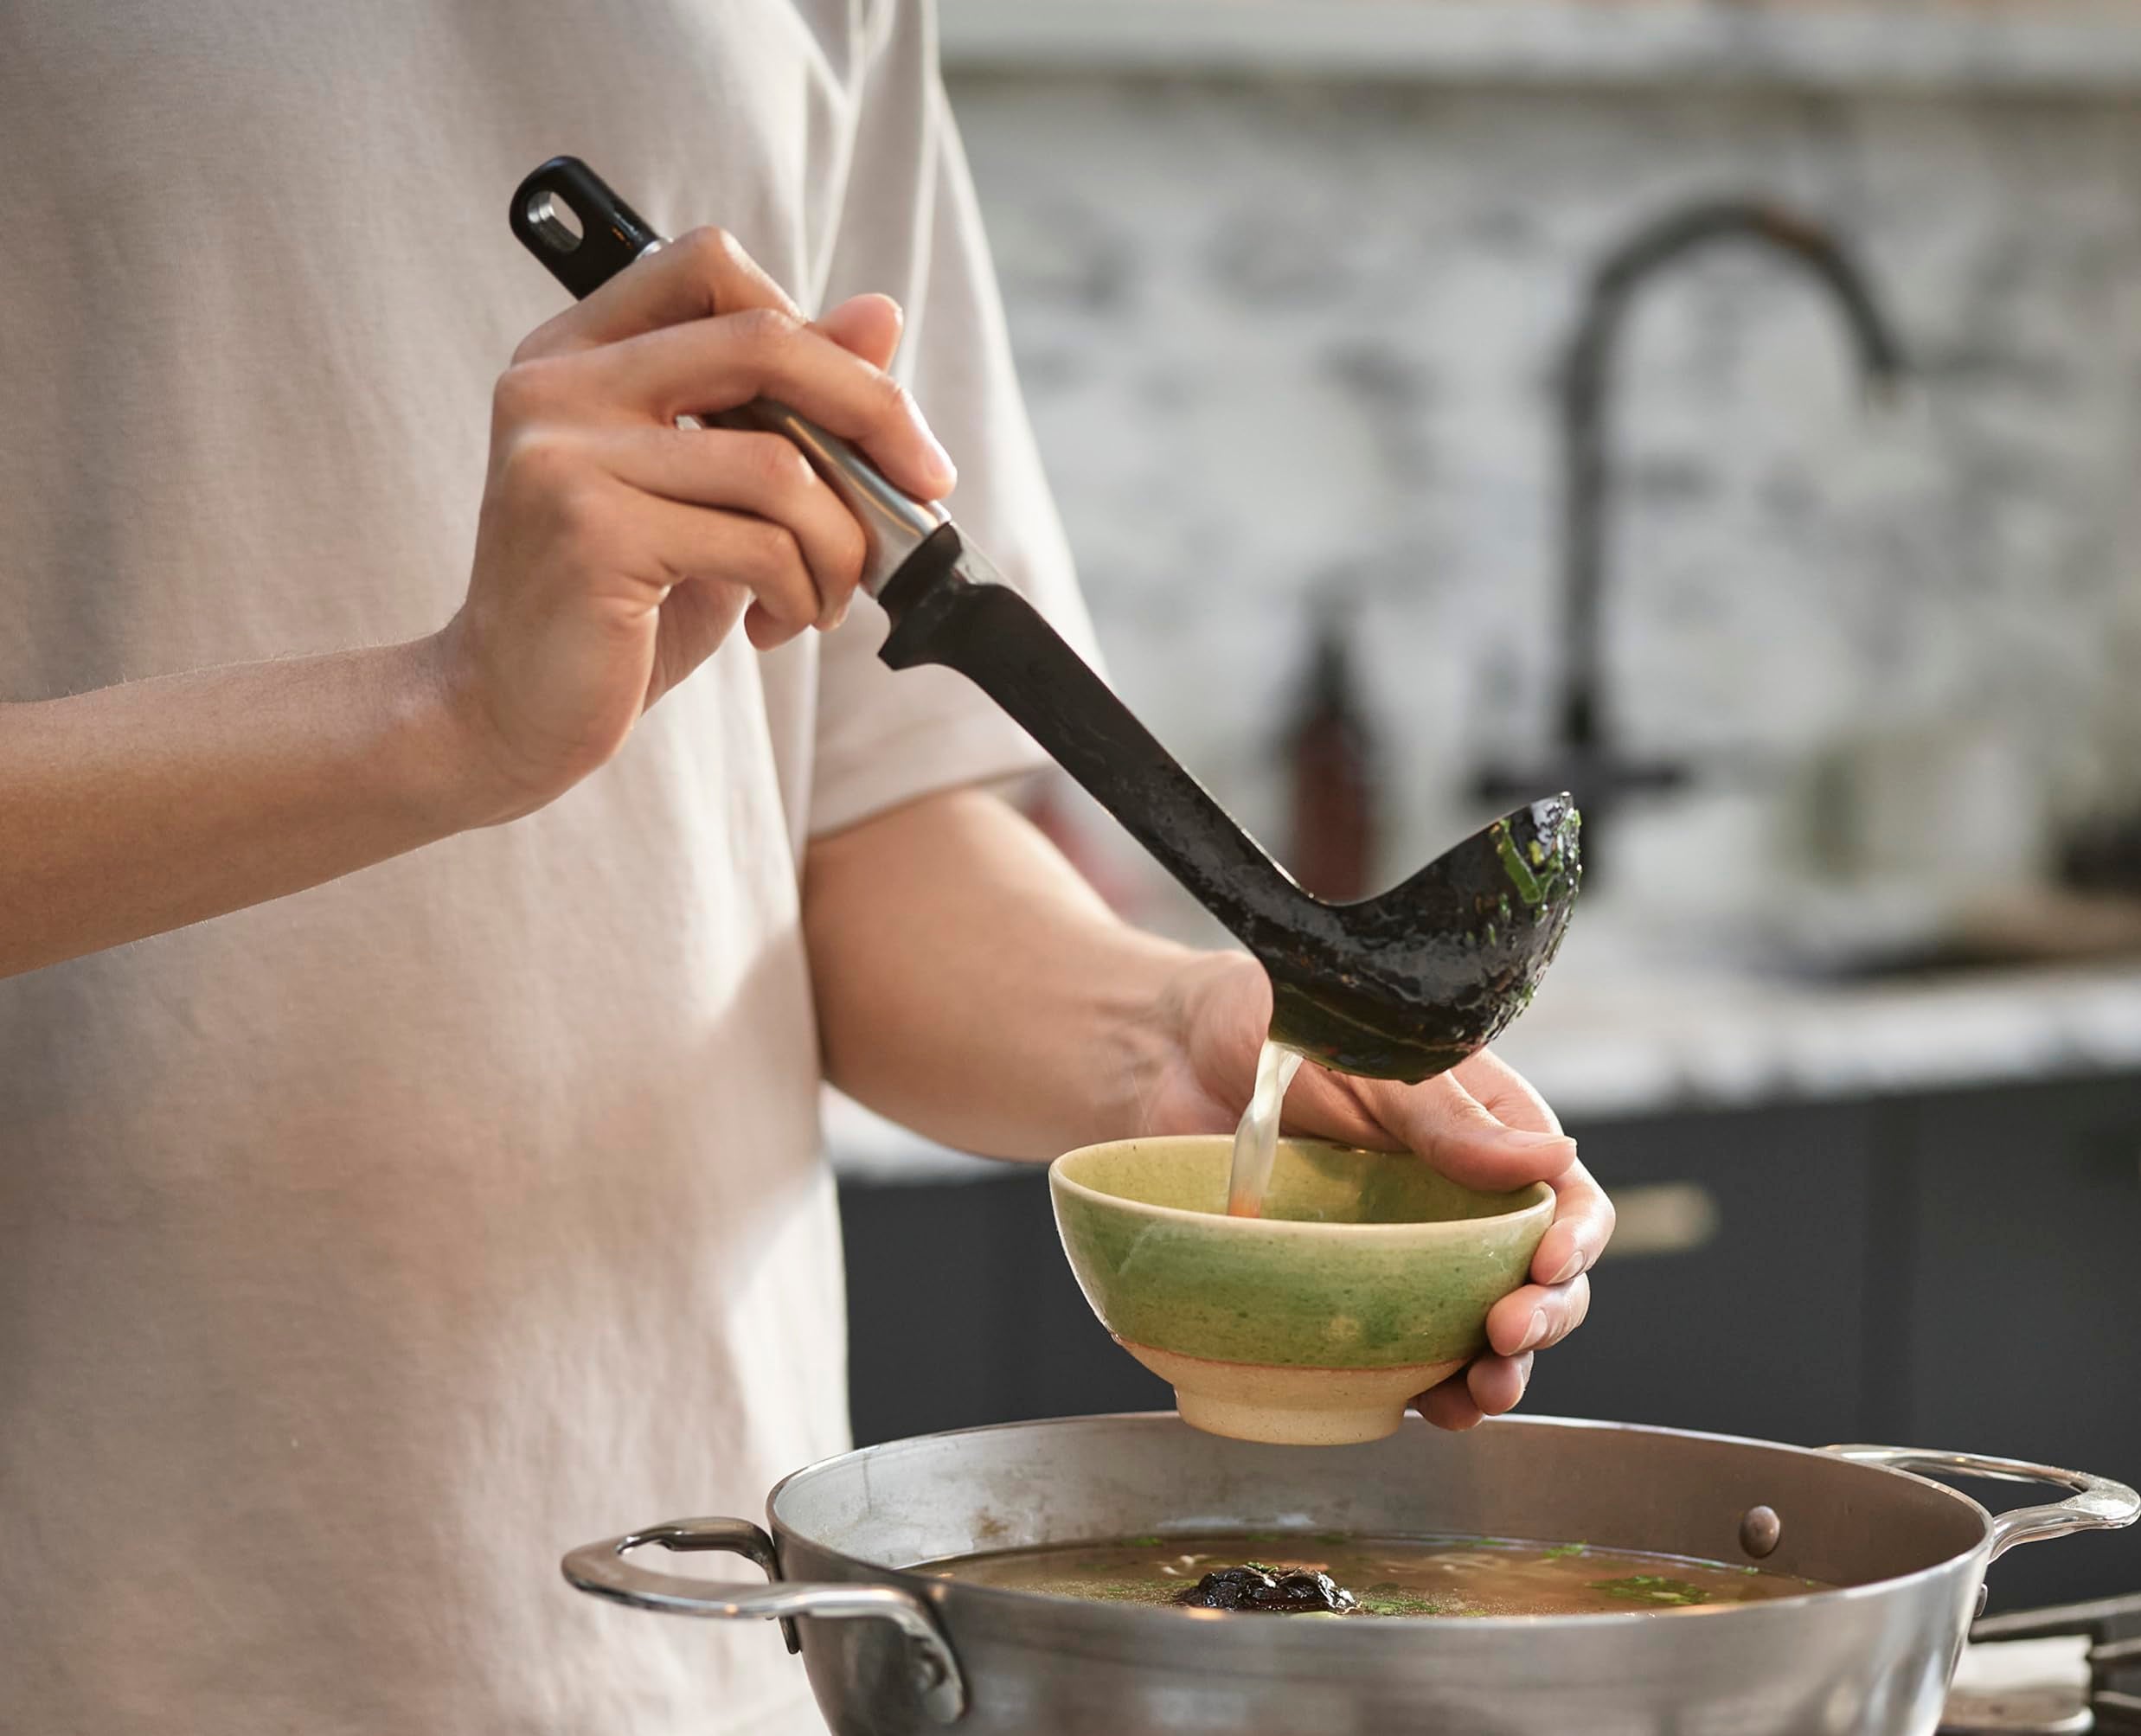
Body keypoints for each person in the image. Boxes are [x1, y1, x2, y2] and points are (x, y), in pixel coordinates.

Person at [0, 3, 1612, 1731]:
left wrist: (1179, 1039)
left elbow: (858, 829)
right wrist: (440, 713)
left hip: (701, 1602)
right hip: (99, 1610)